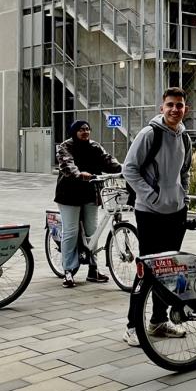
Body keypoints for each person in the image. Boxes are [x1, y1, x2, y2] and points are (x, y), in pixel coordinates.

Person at [121, 87, 193, 345]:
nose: (175, 109)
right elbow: (128, 169)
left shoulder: (185, 138)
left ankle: (158, 321)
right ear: (162, 107)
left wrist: (183, 195)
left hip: (175, 212)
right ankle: (132, 326)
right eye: (170, 105)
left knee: (169, 271)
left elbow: (185, 171)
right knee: (148, 271)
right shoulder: (149, 134)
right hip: (150, 213)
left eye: (180, 105)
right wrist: (151, 196)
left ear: (186, 109)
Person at [54, 119, 123, 287]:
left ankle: (93, 270)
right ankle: (68, 270)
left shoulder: (95, 146)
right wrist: (79, 174)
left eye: (87, 128)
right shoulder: (65, 146)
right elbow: (67, 164)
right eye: (80, 129)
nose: (85, 131)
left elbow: (108, 161)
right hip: (69, 194)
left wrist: (124, 168)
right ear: (74, 132)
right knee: (71, 231)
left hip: (90, 193)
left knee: (93, 232)